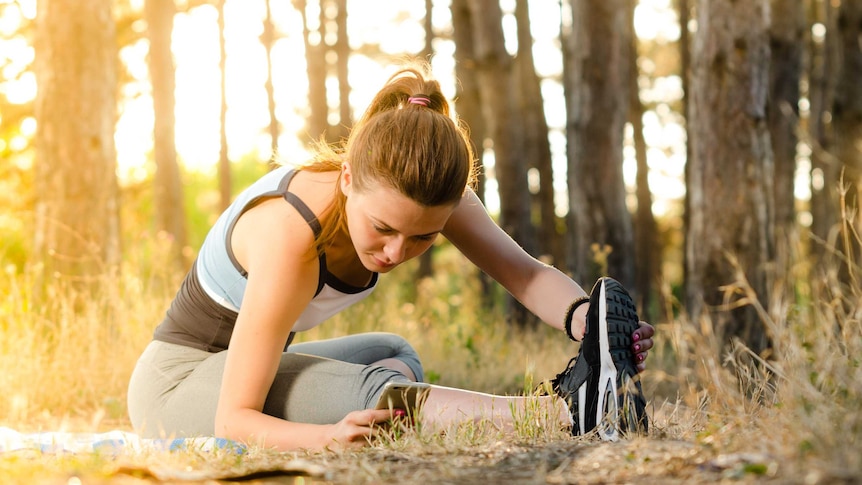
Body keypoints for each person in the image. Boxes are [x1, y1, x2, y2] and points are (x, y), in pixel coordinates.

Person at [127, 64, 655, 451]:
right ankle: (563, 414)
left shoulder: (427, 193)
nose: (397, 252)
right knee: (378, 394)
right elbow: (233, 419)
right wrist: (324, 437)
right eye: (383, 229)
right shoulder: (291, 234)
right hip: (176, 389)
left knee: (394, 352)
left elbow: (526, 275)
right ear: (348, 179)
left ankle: (588, 396)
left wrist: (588, 323)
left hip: (243, 369)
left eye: (423, 238)